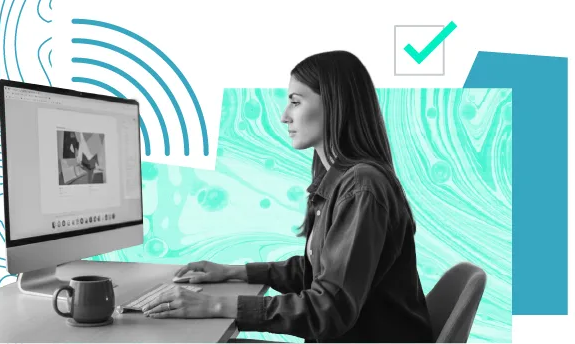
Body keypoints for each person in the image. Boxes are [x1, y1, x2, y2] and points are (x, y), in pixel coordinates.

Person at [141, 50, 435, 343]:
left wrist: (213, 305)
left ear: (335, 104)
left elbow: (329, 309)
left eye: (295, 102)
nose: (284, 117)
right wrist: (232, 272)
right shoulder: (342, 181)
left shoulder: (361, 187)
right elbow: (318, 271)